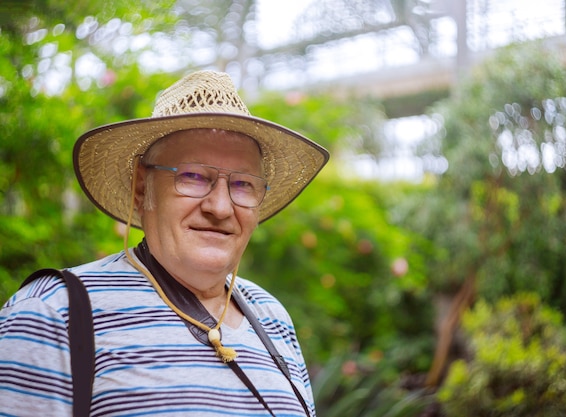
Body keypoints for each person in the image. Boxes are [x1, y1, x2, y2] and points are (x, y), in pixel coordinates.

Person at [0, 70, 329, 416]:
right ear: (142, 189)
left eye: (243, 184)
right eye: (194, 176)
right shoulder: (54, 312)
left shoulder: (272, 317)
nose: (219, 207)